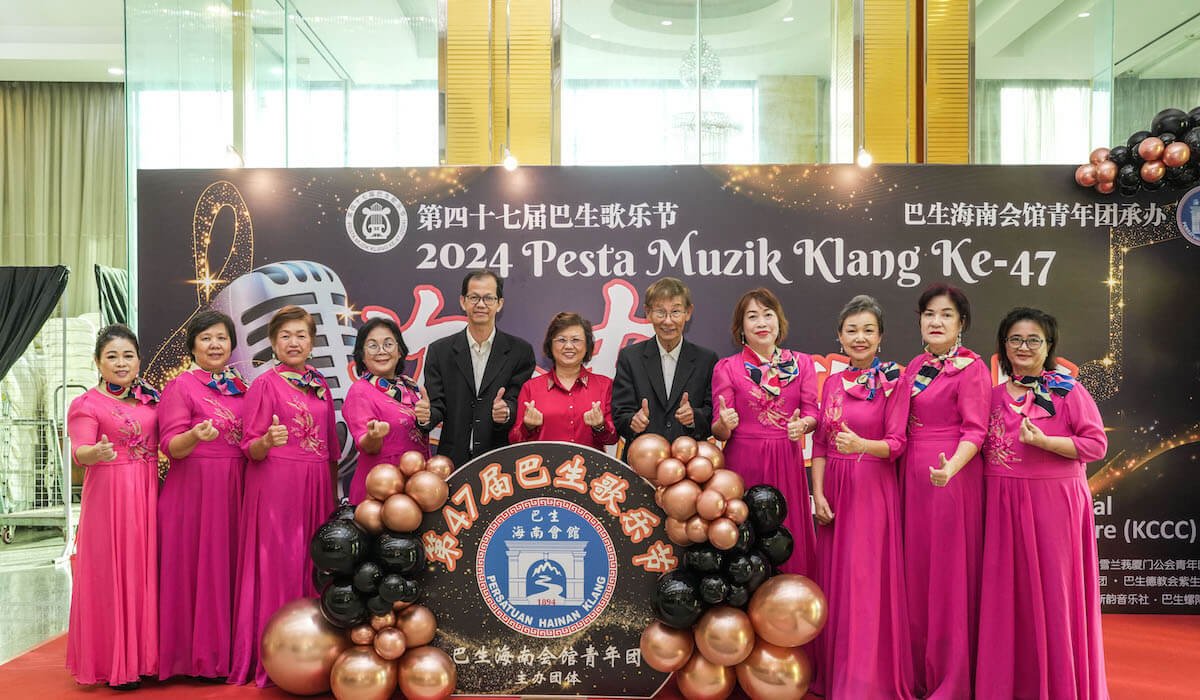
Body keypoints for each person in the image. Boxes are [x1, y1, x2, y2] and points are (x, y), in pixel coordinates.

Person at [976, 307, 1108, 700]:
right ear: (1003, 345)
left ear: (1049, 346)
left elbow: (1095, 445)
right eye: (1015, 339)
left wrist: (1046, 442)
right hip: (1001, 505)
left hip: (1054, 504)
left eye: (1034, 340)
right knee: (1006, 599)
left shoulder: (1068, 391)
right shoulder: (991, 397)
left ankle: (1059, 686)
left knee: (1054, 598)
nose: (1024, 347)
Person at [228, 305, 338, 687]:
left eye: (301, 335)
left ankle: (315, 654)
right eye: (285, 336)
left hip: (317, 483)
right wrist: (268, 441)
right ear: (273, 343)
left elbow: (331, 448)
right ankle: (274, 655)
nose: (294, 342)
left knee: (313, 563)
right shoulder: (264, 384)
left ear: (312, 342)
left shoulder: (319, 383)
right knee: (279, 564)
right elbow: (250, 448)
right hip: (278, 485)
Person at [811, 295, 913, 699]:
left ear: (880, 336)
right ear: (839, 336)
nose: (860, 337)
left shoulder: (894, 381)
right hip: (834, 490)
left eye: (868, 330)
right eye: (852, 330)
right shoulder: (833, 383)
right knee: (836, 584)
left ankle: (865, 682)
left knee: (865, 582)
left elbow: (897, 443)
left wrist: (862, 446)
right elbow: (821, 443)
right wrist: (817, 494)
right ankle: (837, 675)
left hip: (872, 488)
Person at [899, 283, 990, 700]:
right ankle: (918, 673)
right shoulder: (914, 367)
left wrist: (950, 468)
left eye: (946, 315)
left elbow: (976, 431)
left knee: (949, 577)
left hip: (952, 477)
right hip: (911, 479)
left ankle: (950, 678)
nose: (936, 322)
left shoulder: (972, 368)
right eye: (929, 314)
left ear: (962, 323)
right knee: (916, 574)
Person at [66, 324, 160, 690]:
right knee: (113, 574)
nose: (121, 363)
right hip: (110, 498)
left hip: (148, 493)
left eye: (128, 356)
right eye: (112, 356)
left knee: (144, 572)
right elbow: (80, 452)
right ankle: (116, 664)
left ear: (138, 360)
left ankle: (146, 659)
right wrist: (97, 452)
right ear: (97, 362)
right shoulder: (86, 404)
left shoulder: (151, 399)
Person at [157, 310, 247, 681]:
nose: (214, 345)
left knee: (226, 569)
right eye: (206, 338)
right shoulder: (181, 386)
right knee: (195, 571)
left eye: (221, 338)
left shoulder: (243, 388)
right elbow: (170, 446)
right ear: (192, 345)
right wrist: (194, 436)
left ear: (232, 344)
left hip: (234, 489)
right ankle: (193, 659)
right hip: (193, 493)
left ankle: (226, 655)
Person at [711, 287, 819, 575]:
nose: (761, 323)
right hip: (743, 461)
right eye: (752, 316)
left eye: (768, 315)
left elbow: (813, 413)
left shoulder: (802, 364)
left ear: (779, 322)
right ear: (741, 328)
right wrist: (725, 424)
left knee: (788, 534)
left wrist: (802, 426)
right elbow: (719, 430)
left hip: (787, 458)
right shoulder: (727, 368)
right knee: (744, 539)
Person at [419, 270, 536, 467]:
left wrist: (507, 411)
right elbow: (436, 405)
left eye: (488, 298)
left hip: (500, 460)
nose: (481, 304)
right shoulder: (440, 351)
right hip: (452, 461)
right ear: (463, 301)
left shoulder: (520, 351)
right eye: (474, 297)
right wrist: (426, 416)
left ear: (499, 304)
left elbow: (519, 400)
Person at [612, 277, 718, 459]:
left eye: (675, 312)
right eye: (660, 312)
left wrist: (694, 417)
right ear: (648, 313)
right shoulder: (630, 357)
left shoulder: (706, 359)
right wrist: (633, 422)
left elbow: (714, 415)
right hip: (642, 461)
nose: (668, 321)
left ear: (688, 312)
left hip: (689, 462)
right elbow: (619, 414)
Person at [343, 317, 431, 503]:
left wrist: (426, 418)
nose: (381, 351)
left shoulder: (410, 386)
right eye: (372, 346)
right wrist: (374, 436)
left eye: (388, 344)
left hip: (416, 486)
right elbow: (367, 445)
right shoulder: (360, 391)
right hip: (381, 489)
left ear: (399, 351)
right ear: (362, 355)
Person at [510, 312, 618, 450]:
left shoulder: (604, 385)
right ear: (550, 345)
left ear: (587, 346)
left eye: (575, 340)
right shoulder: (531, 387)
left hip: (589, 463)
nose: (568, 346)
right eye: (561, 340)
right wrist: (528, 427)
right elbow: (515, 440)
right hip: (544, 463)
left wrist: (599, 426)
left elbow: (612, 438)